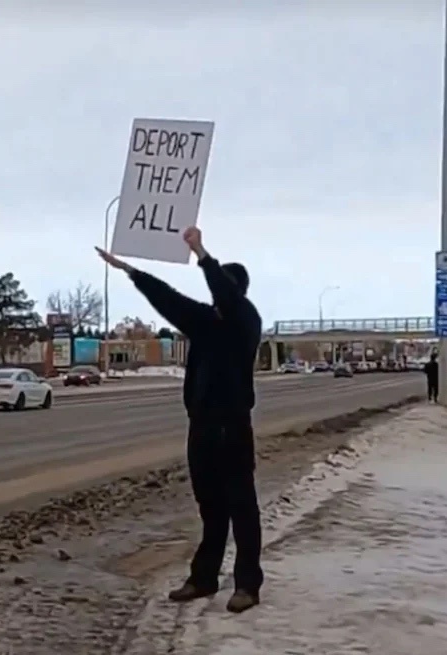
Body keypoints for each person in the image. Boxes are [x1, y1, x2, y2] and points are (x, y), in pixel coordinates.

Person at [96, 226, 263, 614]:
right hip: (202, 428)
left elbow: (223, 292)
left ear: (237, 292)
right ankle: (203, 579)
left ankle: (248, 585)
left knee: (243, 509)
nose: (216, 298)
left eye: (224, 291)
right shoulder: (206, 322)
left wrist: (201, 252)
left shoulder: (245, 321)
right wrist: (130, 272)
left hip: (233, 428)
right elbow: (169, 301)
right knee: (211, 510)